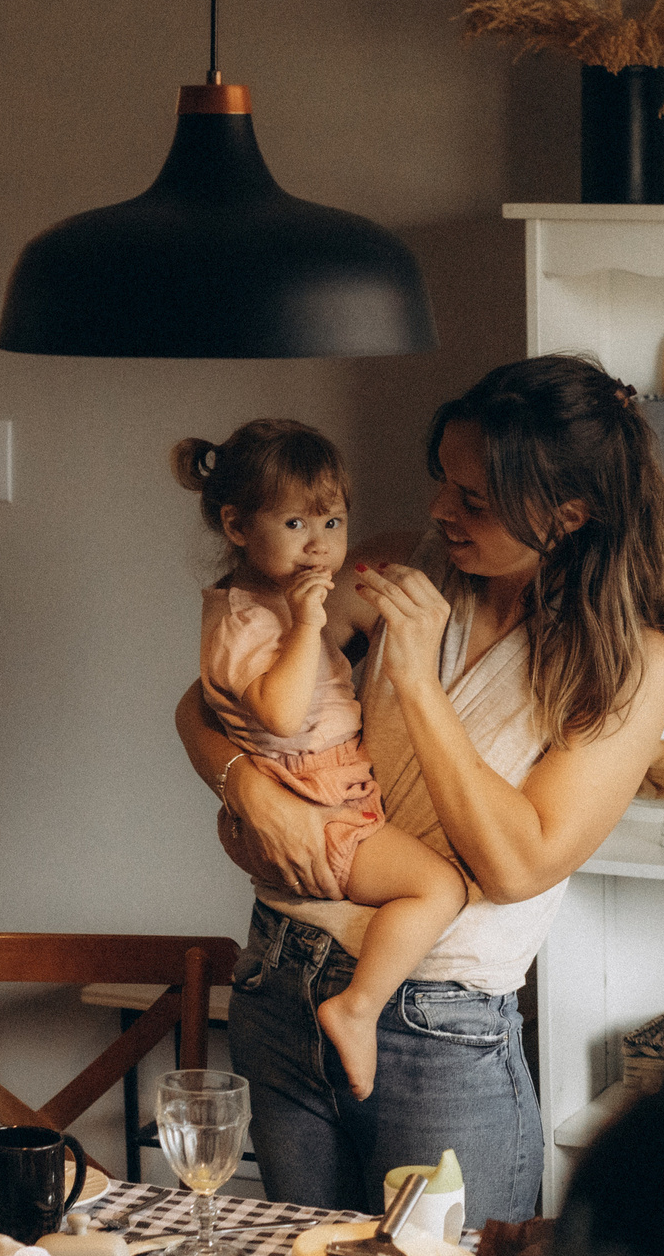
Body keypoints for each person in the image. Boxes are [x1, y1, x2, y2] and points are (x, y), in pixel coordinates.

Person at [175, 355, 664, 1223]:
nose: (438, 510)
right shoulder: (396, 569)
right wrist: (247, 790)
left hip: (440, 1030)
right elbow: (208, 703)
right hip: (279, 977)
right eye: (442, 482)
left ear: (569, 514)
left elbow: (518, 862)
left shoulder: (634, 665)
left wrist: (415, 681)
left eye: (474, 500)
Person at [170, 419, 470, 1102]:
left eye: (332, 522)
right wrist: (308, 625)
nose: (320, 544)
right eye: (297, 523)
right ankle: (358, 1005)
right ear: (238, 527)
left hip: (324, 790)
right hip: (312, 802)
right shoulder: (249, 619)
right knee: (438, 886)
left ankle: (353, 998)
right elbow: (275, 714)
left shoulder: (269, 603)